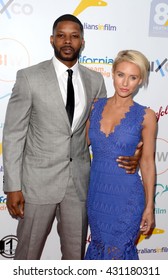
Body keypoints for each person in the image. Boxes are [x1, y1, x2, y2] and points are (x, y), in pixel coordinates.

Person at [2, 15, 141, 260]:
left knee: (75, 258)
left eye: (74, 36)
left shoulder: (95, 80)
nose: (68, 41)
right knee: (27, 256)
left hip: (79, 185)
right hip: (36, 183)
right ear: (52, 39)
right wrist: (13, 186)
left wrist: (135, 152)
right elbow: (13, 134)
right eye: (62, 35)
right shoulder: (29, 77)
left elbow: (103, 130)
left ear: (82, 42)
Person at [84, 50, 157, 260]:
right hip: (97, 196)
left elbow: (148, 163)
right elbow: (80, 145)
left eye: (133, 77)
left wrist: (150, 207)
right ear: (112, 73)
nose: (125, 83)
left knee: (118, 254)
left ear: (140, 80)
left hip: (127, 198)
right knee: (98, 248)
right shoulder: (95, 106)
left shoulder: (147, 116)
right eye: (121, 75)